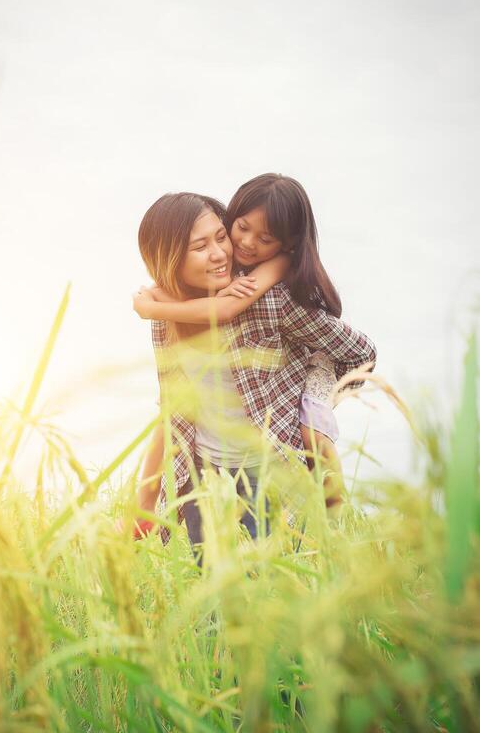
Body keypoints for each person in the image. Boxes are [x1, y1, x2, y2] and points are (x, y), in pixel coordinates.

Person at [130, 181, 376, 557]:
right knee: (212, 598)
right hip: (204, 476)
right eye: (200, 246)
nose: (220, 254)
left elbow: (360, 352)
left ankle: (335, 523)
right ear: (168, 257)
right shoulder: (166, 320)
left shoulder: (270, 302)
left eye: (219, 238)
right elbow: (172, 407)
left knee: (281, 589)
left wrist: (312, 403)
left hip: (270, 473)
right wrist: (145, 501)